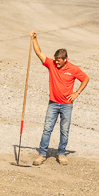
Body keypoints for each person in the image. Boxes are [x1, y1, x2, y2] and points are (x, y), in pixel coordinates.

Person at [31, 31, 89, 165]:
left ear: (65, 60)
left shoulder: (73, 69)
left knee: (64, 130)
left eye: (59, 61)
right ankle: (42, 154)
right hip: (53, 103)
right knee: (47, 129)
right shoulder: (51, 64)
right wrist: (34, 39)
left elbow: (85, 78)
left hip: (67, 105)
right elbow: (39, 53)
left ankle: (61, 154)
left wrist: (77, 93)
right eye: (55, 60)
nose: (56, 63)